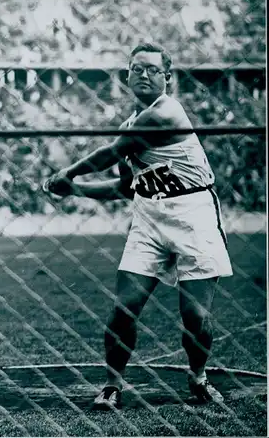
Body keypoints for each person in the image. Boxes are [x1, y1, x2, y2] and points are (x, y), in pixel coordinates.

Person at [43, 42, 233, 409]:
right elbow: (125, 187)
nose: (144, 75)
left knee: (195, 315)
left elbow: (110, 153)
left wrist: (67, 174)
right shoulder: (129, 125)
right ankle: (112, 385)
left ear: (167, 78)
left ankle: (198, 375)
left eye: (152, 69)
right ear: (126, 76)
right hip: (148, 219)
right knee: (123, 309)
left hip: (194, 216)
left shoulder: (166, 113)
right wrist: (76, 190)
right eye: (137, 69)